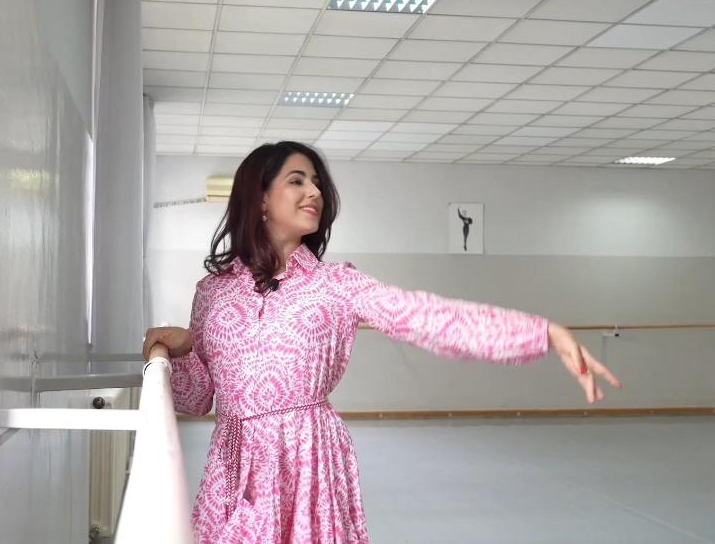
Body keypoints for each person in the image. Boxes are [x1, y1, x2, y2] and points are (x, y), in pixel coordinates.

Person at [142, 141, 622, 543]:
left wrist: (541, 333)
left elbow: (429, 318)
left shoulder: (336, 284)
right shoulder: (214, 292)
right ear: (260, 198)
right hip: (234, 465)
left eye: (316, 183)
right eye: (297, 180)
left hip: (307, 462)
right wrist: (175, 354)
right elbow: (198, 398)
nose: (314, 192)